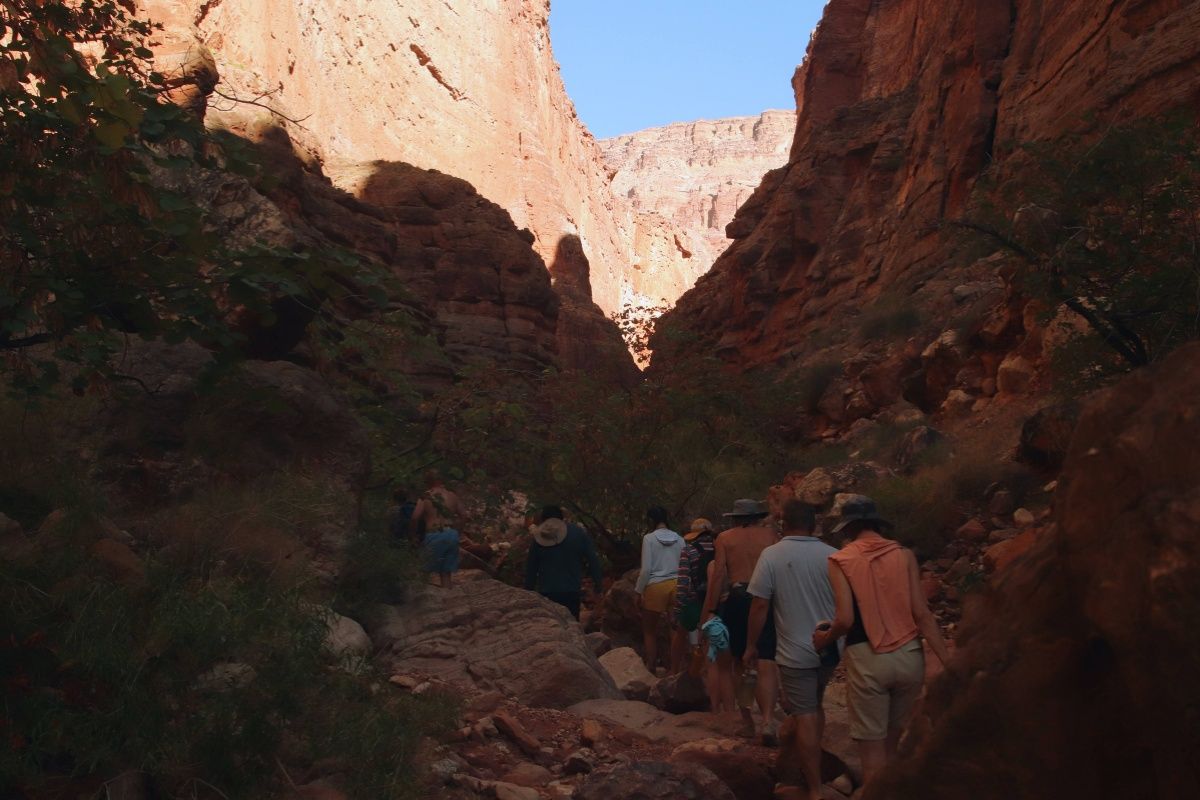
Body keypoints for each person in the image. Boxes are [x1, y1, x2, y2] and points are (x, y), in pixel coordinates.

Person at [813, 495, 954, 789]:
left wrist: (824, 639)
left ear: (848, 529)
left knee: (872, 755)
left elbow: (845, 620)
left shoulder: (840, 560)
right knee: (894, 748)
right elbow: (922, 614)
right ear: (877, 524)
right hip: (910, 657)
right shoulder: (904, 555)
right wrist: (949, 663)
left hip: (868, 659)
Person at [745, 500, 837, 800]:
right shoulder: (834, 556)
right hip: (828, 649)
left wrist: (751, 644)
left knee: (806, 714)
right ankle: (811, 771)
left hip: (795, 653)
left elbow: (759, 604)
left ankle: (814, 788)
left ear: (783, 524)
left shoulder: (772, 555)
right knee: (816, 705)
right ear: (813, 524)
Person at [702, 498, 781, 743]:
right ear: (757, 516)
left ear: (736, 518)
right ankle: (767, 720)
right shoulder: (771, 536)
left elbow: (719, 575)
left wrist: (712, 608)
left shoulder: (725, 538)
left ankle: (747, 722)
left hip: (737, 598)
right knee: (766, 660)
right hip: (766, 596)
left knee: (738, 660)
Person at [524, 505, 604, 620]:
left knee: (553, 628)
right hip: (571, 591)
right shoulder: (577, 533)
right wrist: (598, 585)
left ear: (544, 520)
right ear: (561, 518)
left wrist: (528, 593)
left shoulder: (539, 538)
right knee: (572, 626)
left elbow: (531, 569)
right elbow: (593, 560)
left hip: (548, 593)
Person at [635, 506, 683, 673]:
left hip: (656, 585)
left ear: (651, 520)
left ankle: (652, 667)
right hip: (677, 584)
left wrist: (638, 591)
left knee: (649, 630)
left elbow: (646, 569)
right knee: (675, 628)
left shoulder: (649, 539)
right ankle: (675, 669)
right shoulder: (679, 538)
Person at [674, 518, 717, 680]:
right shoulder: (720, 548)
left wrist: (678, 608)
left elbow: (683, 582)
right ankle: (706, 672)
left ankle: (674, 671)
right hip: (715, 602)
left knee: (680, 633)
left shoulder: (688, 550)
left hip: (694, 601)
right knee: (710, 639)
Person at [409, 472, 467, 588]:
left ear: (428, 482)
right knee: (445, 573)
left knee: (424, 572)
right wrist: (458, 533)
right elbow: (464, 516)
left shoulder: (426, 496)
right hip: (451, 534)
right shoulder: (452, 496)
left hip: (434, 533)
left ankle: (424, 601)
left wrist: (413, 535)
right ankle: (448, 601)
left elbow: (415, 517)